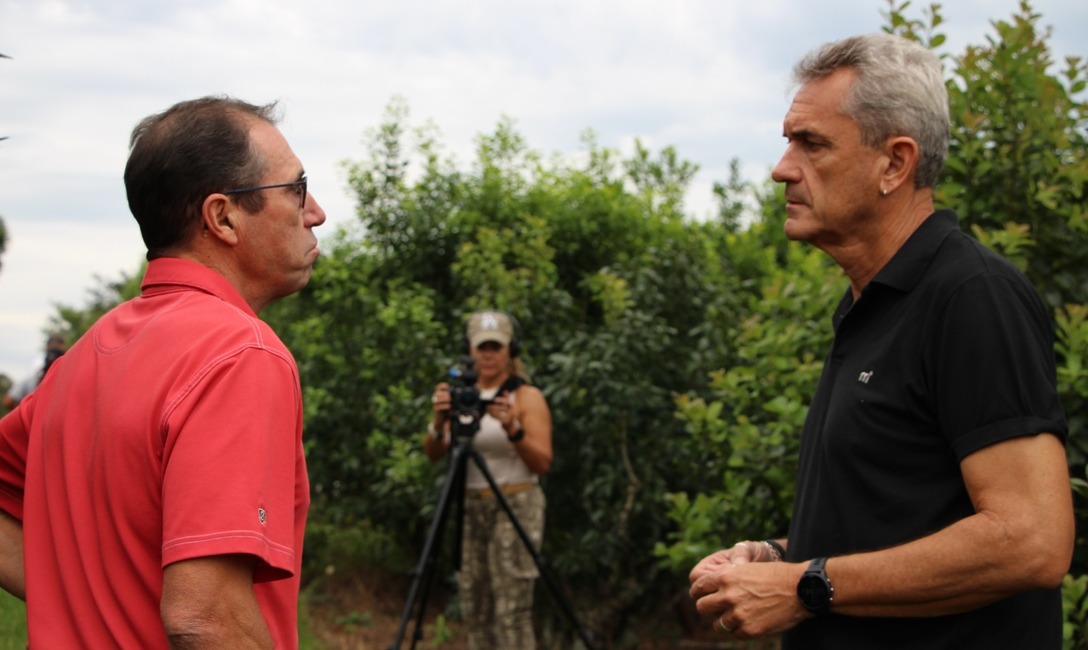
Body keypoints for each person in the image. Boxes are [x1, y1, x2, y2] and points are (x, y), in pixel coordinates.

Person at [689, 33, 1073, 649]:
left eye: (811, 144)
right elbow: (900, 520)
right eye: (788, 141)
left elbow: (1032, 540)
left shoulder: (971, 297)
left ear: (895, 163)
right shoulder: (870, 304)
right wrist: (779, 558)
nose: (782, 168)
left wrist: (805, 587)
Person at [0, 96, 326, 647]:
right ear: (222, 217)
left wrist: (84, 594)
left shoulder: (82, 358)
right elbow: (206, 617)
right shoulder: (239, 355)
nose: (315, 210)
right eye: (295, 188)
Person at [424, 310, 553, 649]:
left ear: (511, 349)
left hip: (516, 503)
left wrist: (514, 429)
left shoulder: (525, 396)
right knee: (476, 608)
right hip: (471, 506)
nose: (489, 355)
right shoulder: (459, 396)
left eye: (496, 347)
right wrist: (438, 421)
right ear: (470, 350)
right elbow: (433, 452)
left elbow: (542, 462)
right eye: (482, 347)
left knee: (512, 610)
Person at [1, 332, 66, 410]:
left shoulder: (34, 375)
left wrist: (23, 414)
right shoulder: (68, 378)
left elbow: (8, 400)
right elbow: (8, 400)